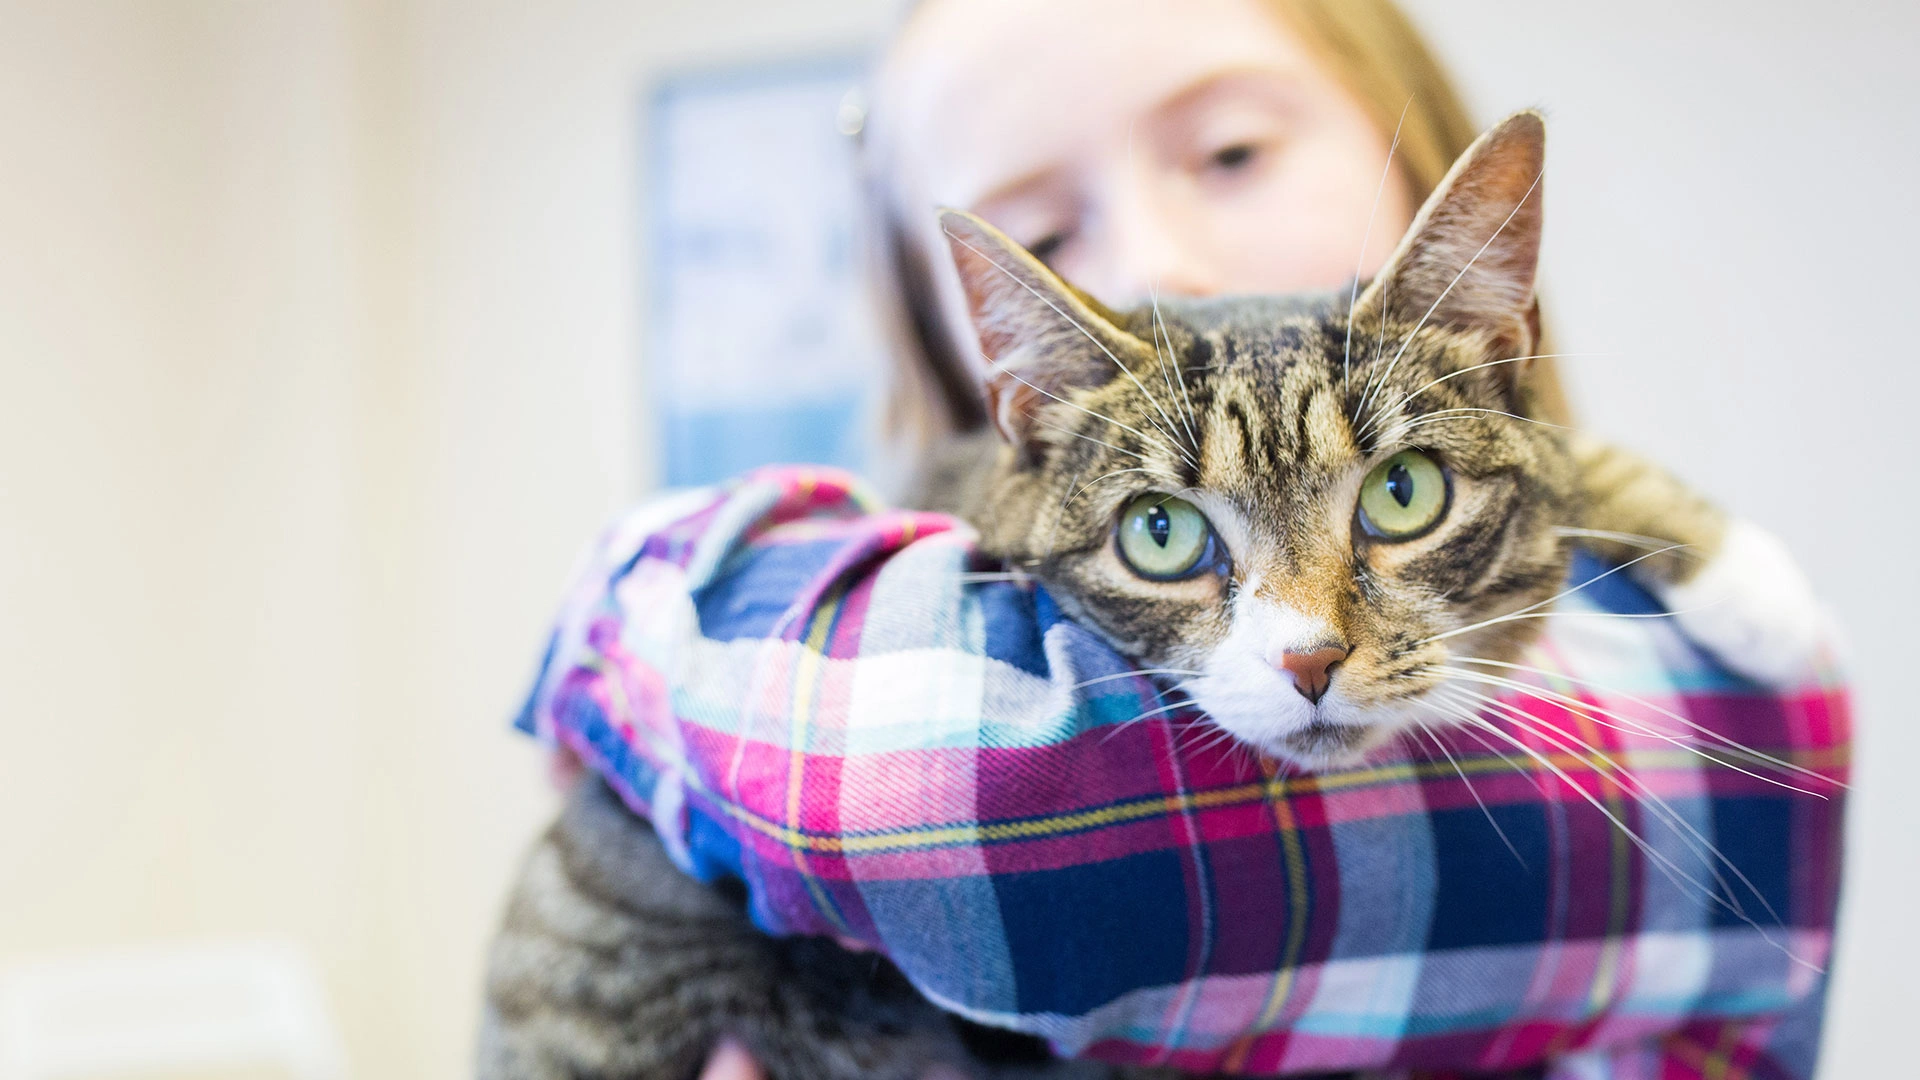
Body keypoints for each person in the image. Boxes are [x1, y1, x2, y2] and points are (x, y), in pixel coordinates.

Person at [519, 1, 1844, 1077]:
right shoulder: (928, 628)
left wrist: (609, 629)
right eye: (1039, 233)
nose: (1158, 263)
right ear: (1001, 390)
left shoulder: (1684, 703)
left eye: (1230, 154)